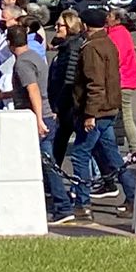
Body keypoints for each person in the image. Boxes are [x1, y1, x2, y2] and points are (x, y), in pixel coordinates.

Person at [71, 6, 136, 220]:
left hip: (97, 111)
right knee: (112, 155)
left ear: (85, 26)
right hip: (109, 109)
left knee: (80, 154)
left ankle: (83, 204)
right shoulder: (108, 43)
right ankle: (134, 197)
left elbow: (95, 83)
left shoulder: (91, 48)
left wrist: (90, 113)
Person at [4, 23, 72, 224]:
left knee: (47, 163)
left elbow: (33, 90)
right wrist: (1, 94)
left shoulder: (22, 63)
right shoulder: (35, 56)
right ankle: (46, 200)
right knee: (37, 163)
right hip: (45, 114)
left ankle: (62, 205)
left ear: (9, 43)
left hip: (35, 119)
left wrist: (38, 120)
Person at [48, 9, 85, 165]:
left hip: (69, 105)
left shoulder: (72, 48)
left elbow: (68, 80)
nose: (56, 28)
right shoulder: (65, 46)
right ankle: (52, 176)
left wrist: (57, 107)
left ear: (69, 27)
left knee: (85, 146)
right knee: (60, 141)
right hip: (64, 104)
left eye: (59, 25)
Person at [106, 8, 136, 152]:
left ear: (117, 20)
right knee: (121, 115)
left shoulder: (118, 34)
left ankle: (134, 148)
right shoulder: (117, 33)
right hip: (125, 80)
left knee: (126, 115)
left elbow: (118, 58)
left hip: (123, 81)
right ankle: (126, 144)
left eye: (110, 16)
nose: (107, 18)